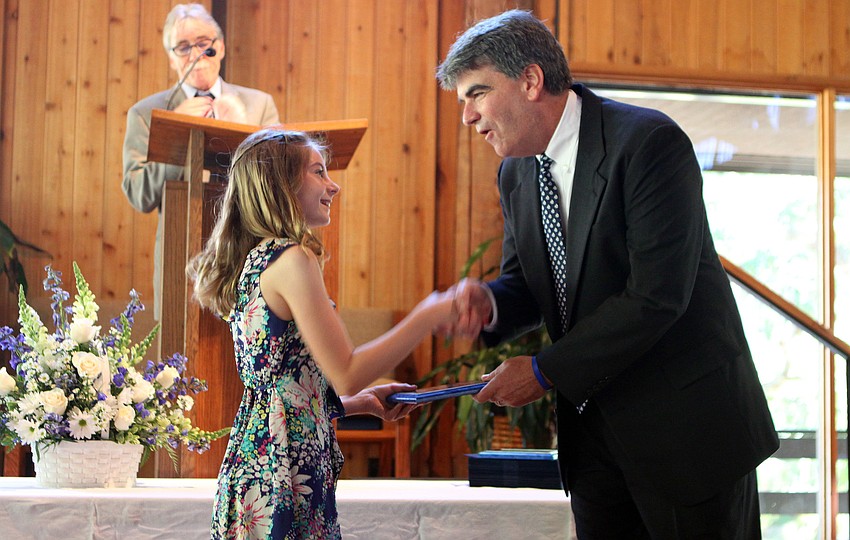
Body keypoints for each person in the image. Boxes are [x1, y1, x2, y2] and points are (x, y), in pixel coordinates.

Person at [438, 10, 779, 539]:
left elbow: (656, 297)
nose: (467, 116)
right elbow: (530, 286)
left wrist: (544, 371)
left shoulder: (648, 142)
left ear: (530, 81)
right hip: (592, 443)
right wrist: (490, 303)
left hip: (687, 435)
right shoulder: (514, 173)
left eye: (477, 93)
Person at [188, 128, 455, 539]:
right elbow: (346, 371)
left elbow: (282, 391)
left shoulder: (254, 260)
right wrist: (430, 313)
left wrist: (361, 403)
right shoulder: (293, 259)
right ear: (281, 184)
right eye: (318, 172)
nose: (334, 185)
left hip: (259, 461)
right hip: (282, 473)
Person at [122, 3, 280, 317]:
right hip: (180, 253)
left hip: (247, 249)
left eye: (203, 43)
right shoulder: (146, 113)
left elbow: (276, 182)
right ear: (171, 58)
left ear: (219, 48)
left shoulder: (259, 105)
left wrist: (243, 133)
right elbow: (139, 194)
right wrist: (176, 135)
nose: (195, 54)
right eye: (183, 47)